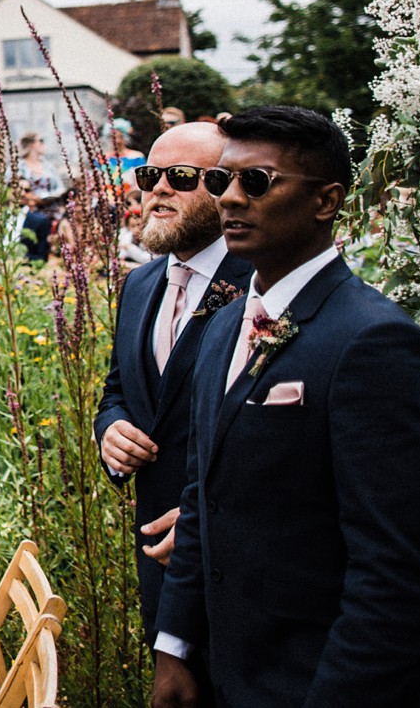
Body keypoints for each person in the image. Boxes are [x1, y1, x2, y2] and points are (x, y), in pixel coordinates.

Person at [152, 107, 420, 708]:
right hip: (224, 674)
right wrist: (175, 645)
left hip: (317, 681)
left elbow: (401, 576)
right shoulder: (221, 330)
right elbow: (201, 497)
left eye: (256, 182)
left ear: (326, 201)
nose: (230, 200)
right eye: (220, 181)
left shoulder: (375, 343)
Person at [95, 122, 252, 658]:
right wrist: (110, 430)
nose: (157, 188)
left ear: (227, 187)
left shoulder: (260, 284)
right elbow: (118, 389)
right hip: (159, 563)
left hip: (242, 570)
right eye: (149, 174)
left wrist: (218, 517)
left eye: (181, 176)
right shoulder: (139, 285)